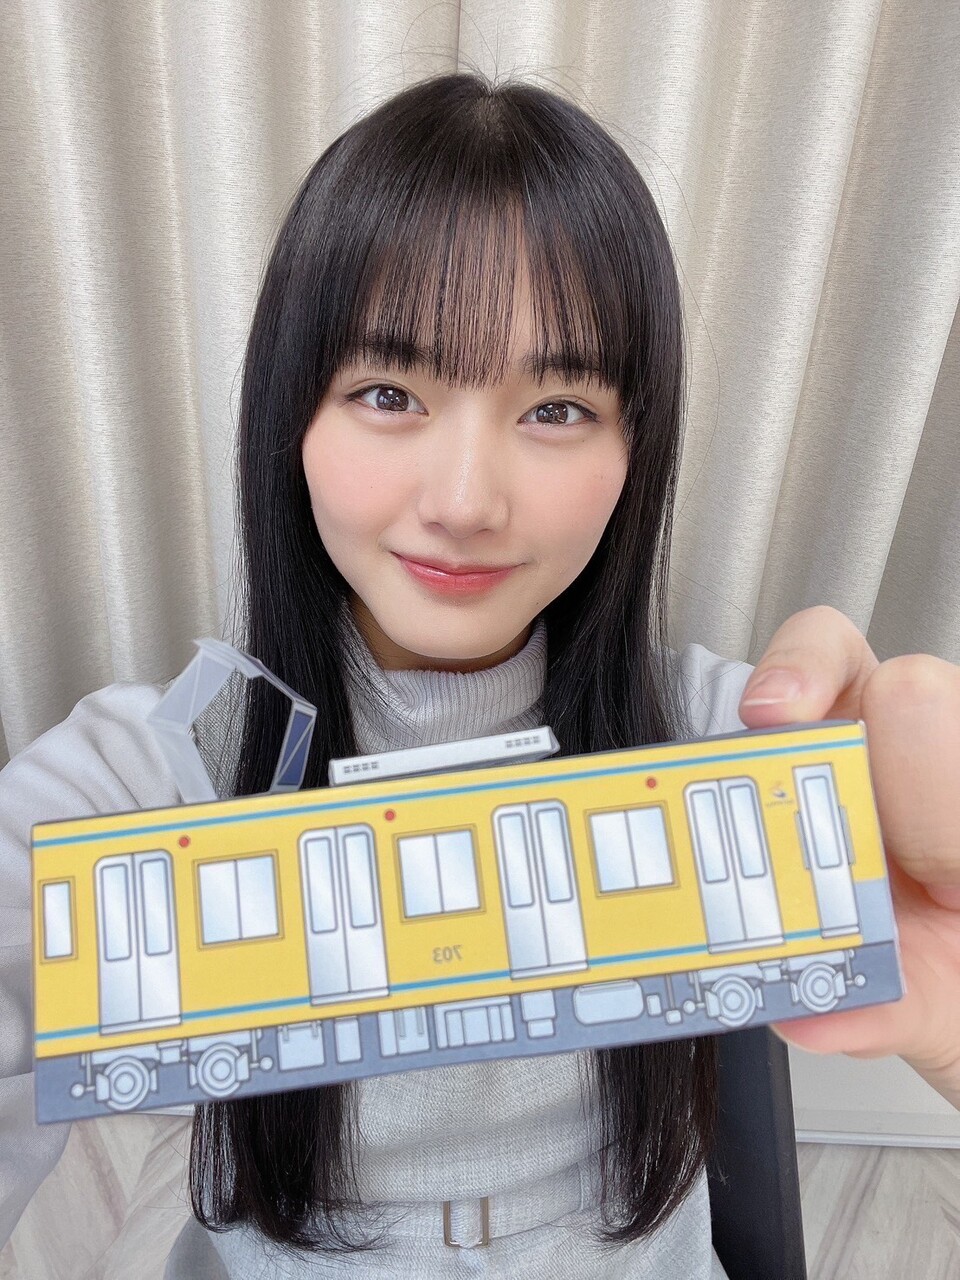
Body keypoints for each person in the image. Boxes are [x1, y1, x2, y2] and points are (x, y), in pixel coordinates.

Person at [1, 71, 957, 1279]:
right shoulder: (146, 780)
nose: (463, 502)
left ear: (636, 449)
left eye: (555, 407)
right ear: (292, 421)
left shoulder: (735, 751)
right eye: (388, 392)